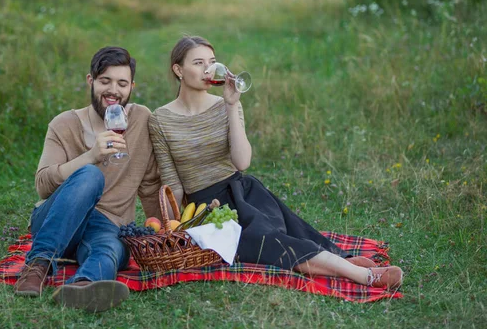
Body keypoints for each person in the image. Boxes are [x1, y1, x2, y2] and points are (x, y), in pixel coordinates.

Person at [148, 36, 404, 290]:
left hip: (242, 193)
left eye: (212, 62)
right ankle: (359, 274)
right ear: (178, 69)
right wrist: (174, 230)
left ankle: (349, 267)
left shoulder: (226, 105)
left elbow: (242, 162)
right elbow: (172, 183)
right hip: (207, 209)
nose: (208, 70)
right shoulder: (160, 119)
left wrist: (231, 105)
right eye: (198, 63)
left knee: (286, 233)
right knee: (270, 242)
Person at [14, 46, 162, 312]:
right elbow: (43, 185)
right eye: (105, 81)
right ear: (91, 81)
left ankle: (84, 286)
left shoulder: (141, 120)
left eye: (122, 83)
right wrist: (90, 156)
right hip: (57, 219)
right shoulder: (63, 124)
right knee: (90, 175)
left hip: (108, 224)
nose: (113, 91)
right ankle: (37, 266)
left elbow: (150, 183)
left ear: (132, 87)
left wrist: (159, 232)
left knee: (110, 249)